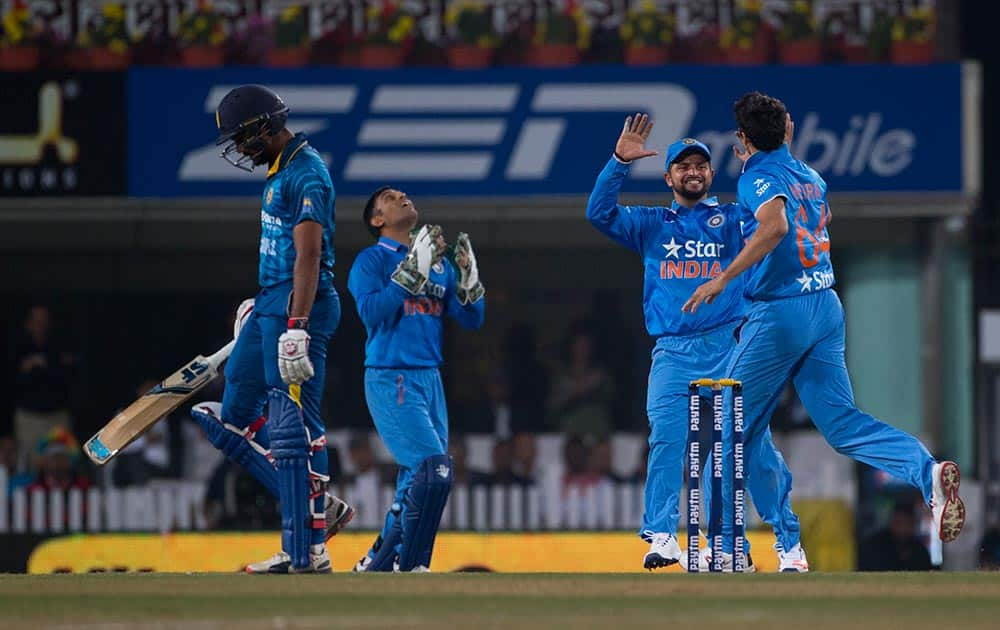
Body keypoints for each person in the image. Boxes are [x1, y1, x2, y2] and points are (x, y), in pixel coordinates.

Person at [683, 91, 965, 565]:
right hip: (825, 306)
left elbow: (773, 227)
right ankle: (926, 473)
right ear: (787, 131)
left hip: (781, 313)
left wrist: (725, 277)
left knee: (728, 425)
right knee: (841, 426)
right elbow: (821, 220)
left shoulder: (758, 175)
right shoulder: (809, 176)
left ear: (744, 139)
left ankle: (728, 548)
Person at [586, 113, 803, 571]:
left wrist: (767, 164)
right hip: (672, 351)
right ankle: (664, 537)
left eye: (700, 166)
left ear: (709, 173)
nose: (693, 172)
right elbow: (598, 214)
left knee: (750, 447)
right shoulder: (649, 224)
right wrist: (617, 164)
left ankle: (785, 541)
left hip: (731, 344)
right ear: (668, 177)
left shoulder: (730, 218)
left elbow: (774, 223)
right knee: (667, 440)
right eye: (683, 166)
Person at [188, 85, 353, 574]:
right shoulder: (280, 169)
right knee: (225, 418)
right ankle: (322, 507)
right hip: (272, 301)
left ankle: (307, 551)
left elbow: (309, 255)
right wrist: (259, 305)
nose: (239, 149)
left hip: (301, 305)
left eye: (242, 137)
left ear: (265, 126)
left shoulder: (307, 172)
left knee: (294, 426)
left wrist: (295, 323)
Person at [348, 186, 485, 572]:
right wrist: (410, 274)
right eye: (390, 197)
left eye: (404, 194)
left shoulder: (438, 264)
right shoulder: (370, 261)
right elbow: (372, 313)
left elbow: (472, 320)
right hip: (392, 376)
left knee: (419, 480)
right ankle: (408, 562)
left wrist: (470, 281)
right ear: (378, 220)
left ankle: (381, 561)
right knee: (433, 470)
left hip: (430, 378)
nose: (402, 197)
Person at [858, 497, 933, 572]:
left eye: (907, 523)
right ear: (891, 522)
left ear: (913, 524)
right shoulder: (873, 546)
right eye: (899, 522)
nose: (902, 528)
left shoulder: (919, 550)